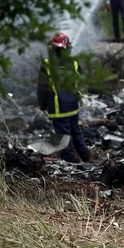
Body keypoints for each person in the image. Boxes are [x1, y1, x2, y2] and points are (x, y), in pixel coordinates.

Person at [37, 33, 91, 163]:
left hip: (58, 106)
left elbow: (42, 88)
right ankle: (86, 156)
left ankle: (69, 160)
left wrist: (43, 105)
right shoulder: (74, 63)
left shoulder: (47, 64)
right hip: (72, 105)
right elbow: (82, 81)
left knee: (64, 135)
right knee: (76, 131)